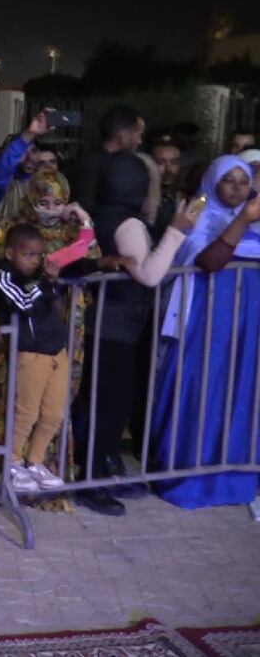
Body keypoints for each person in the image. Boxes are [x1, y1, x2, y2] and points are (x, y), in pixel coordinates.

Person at [73, 152, 194, 516]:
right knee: (109, 407)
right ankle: (91, 481)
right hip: (114, 328)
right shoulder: (128, 223)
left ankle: (100, 472)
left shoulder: (101, 211)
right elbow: (149, 274)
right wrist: (176, 230)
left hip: (104, 325)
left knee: (104, 404)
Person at [152, 156, 260, 509]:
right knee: (204, 387)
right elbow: (210, 262)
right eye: (227, 180)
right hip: (209, 318)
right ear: (213, 181)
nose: (236, 188)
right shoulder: (200, 218)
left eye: (242, 181)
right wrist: (243, 221)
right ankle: (190, 471)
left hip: (248, 321)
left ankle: (236, 473)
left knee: (241, 391)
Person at [0, 224, 79, 494]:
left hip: (56, 350)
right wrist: (46, 282)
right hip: (31, 353)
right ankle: (13, 462)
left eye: (38, 255)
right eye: (27, 254)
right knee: (25, 412)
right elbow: (24, 303)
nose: (35, 260)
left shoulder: (43, 275)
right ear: (10, 253)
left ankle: (35, 461)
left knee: (54, 413)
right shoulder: (5, 276)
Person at [72, 105, 145, 209]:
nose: (140, 141)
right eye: (138, 134)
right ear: (123, 136)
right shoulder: (91, 167)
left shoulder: (128, 164)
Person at [150, 141, 184, 240]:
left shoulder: (183, 197)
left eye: (173, 162)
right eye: (161, 163)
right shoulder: (144, 199)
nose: (168, 168)